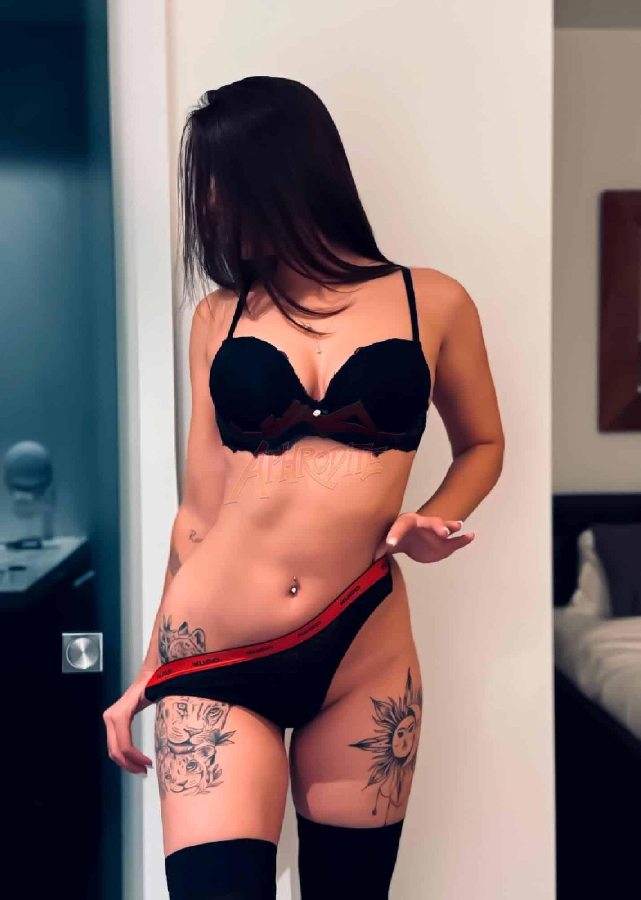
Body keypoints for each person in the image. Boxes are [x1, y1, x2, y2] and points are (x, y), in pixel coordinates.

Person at [102, 75, 504, 899]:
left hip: (362, 651)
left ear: (282, 174)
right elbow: (198, 513)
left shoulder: (430, 300)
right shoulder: (218, 317)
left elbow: (483, 444)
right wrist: (148, 669)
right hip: (213, 655)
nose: (206, 207)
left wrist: (432, 520)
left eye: (218, 183)